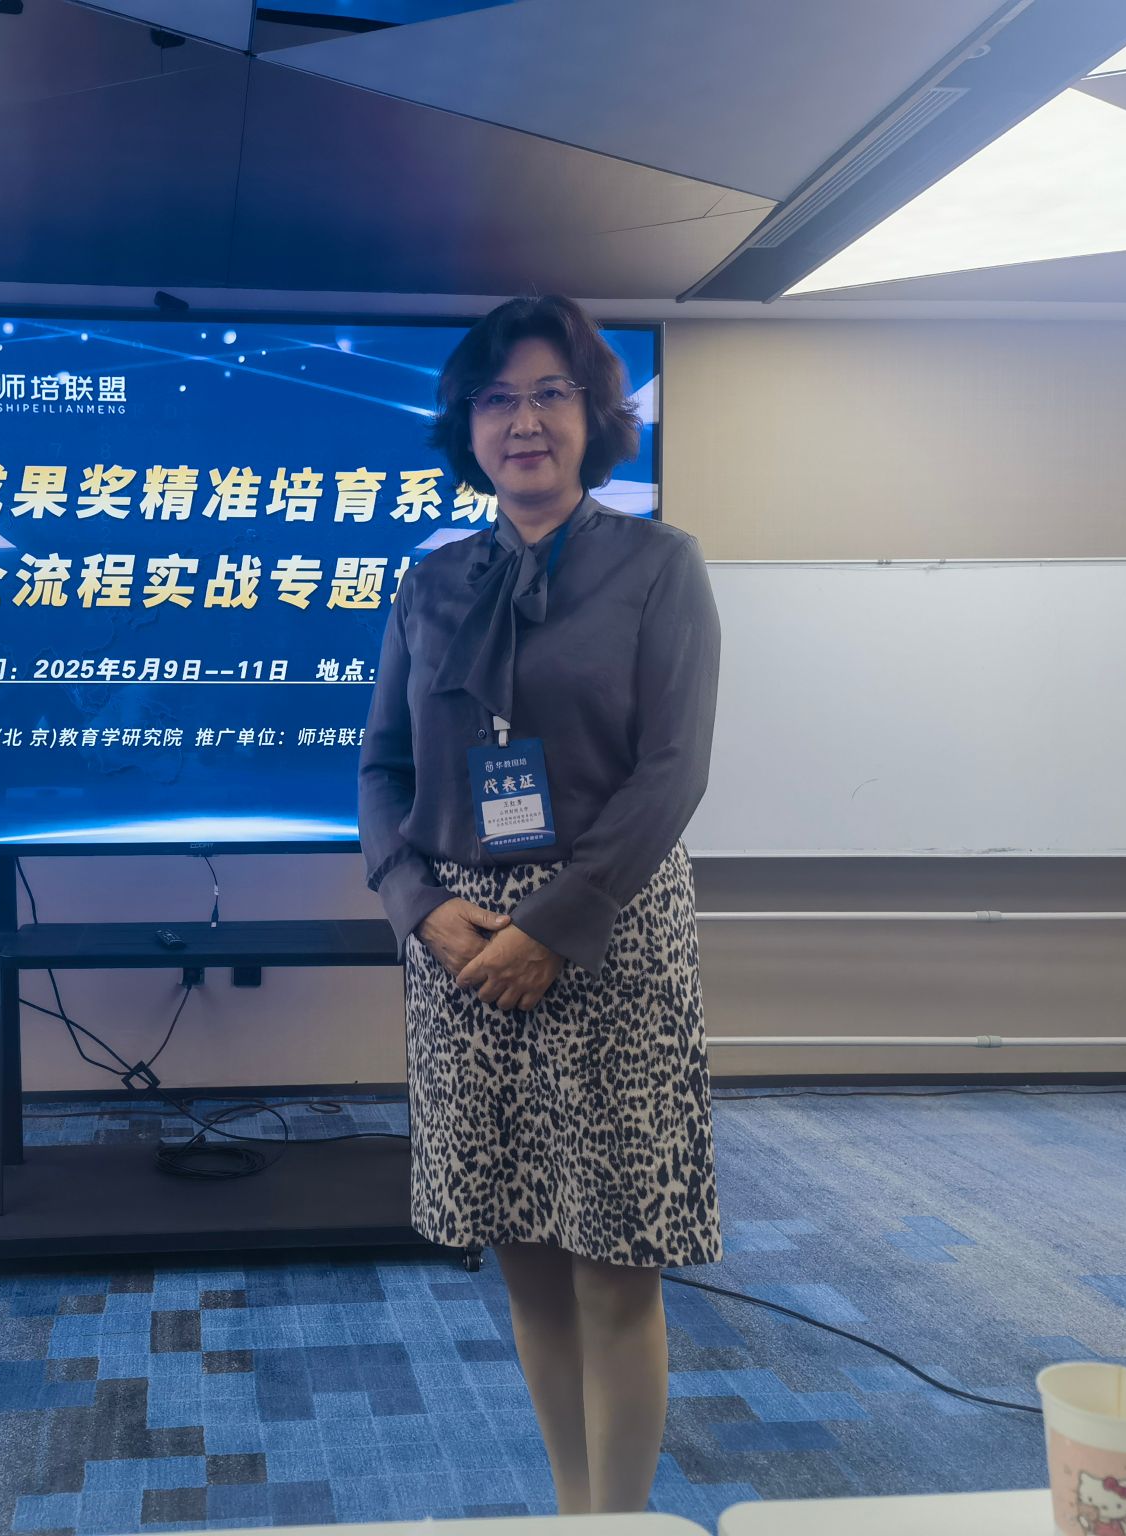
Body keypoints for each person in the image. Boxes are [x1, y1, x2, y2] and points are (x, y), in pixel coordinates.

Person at [357, 294, 723, 1515]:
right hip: (461, 949)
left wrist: (549, 928)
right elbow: (380, 773)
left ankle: (618, 1521)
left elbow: (671, 770)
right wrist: (419, 907)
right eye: (497, 398)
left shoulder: (657, 566)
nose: (523, 421)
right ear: (466, 426)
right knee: (519, 1246)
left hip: (607, 934)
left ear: (593, 417)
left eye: (549, 394)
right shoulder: (429, 582)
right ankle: (574, 1511)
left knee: (614, 1260)